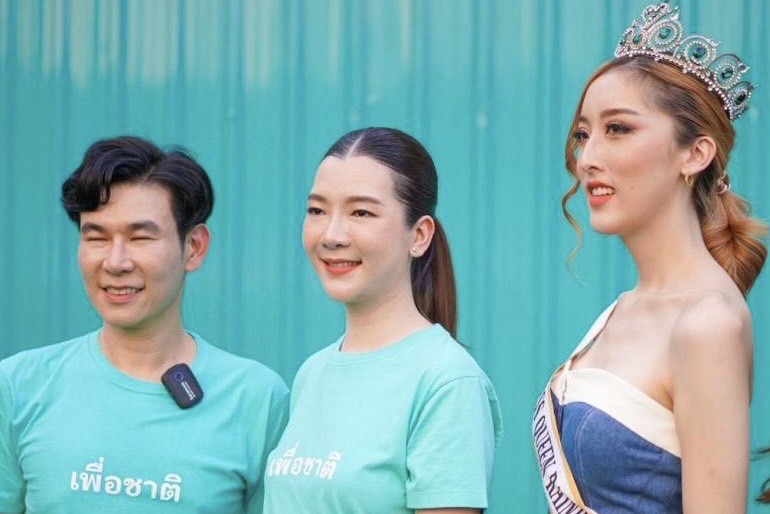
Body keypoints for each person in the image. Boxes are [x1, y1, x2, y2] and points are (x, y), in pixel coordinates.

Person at [532, 3, 767, 513]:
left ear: (695, 154)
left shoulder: (708, 323)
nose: (588, 158)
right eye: (583, 134)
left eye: (618, 129)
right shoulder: (622, 309)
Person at [0, 136, 289, 513]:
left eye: (140, 237)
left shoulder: (256, 399)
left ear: (194, 247)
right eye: (96, 237)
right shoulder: (19, 386)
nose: (116, 262)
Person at [262, 127, 502, 514]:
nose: (332, 235)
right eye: (317, 210)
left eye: (361, 212)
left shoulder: (447, 382)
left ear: (419, 235)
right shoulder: (313, 373)